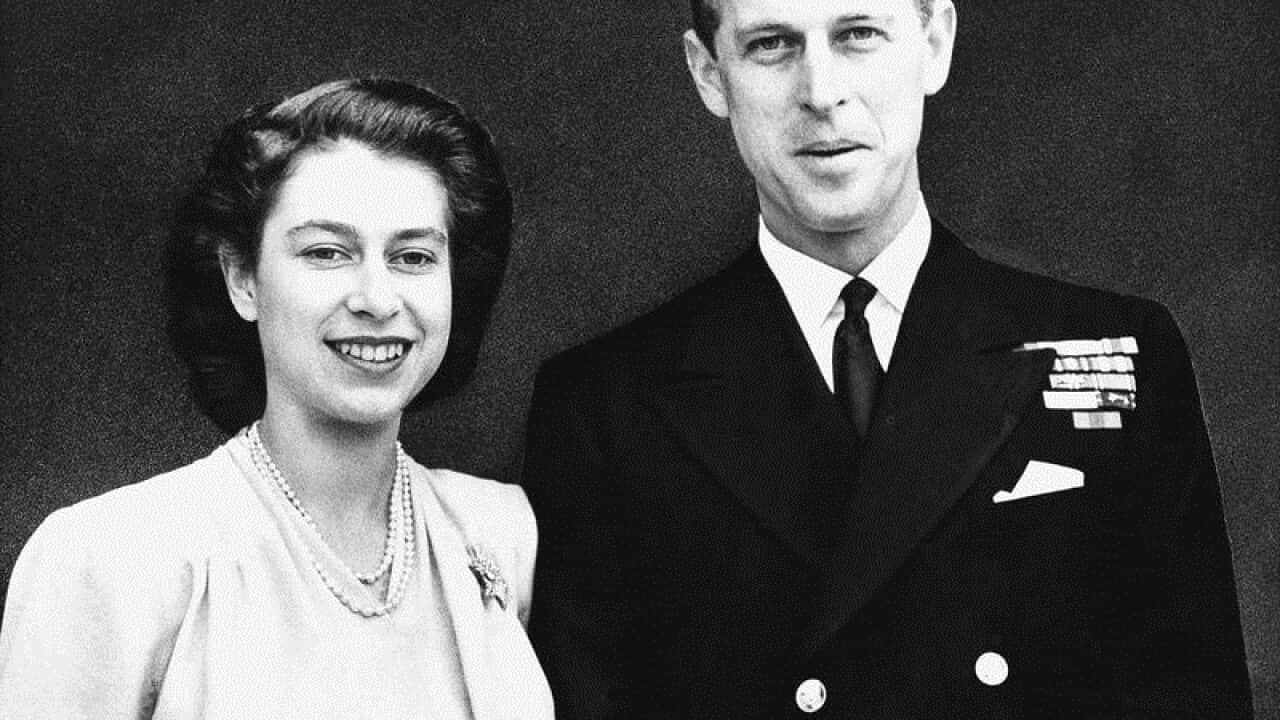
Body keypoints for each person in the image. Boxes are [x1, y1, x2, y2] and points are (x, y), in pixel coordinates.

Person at [523, 1, 1253, 718]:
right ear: (710, 73)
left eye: (859, 34)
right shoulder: (605, 404)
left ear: (934, 42)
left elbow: (1189, 695)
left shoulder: (1117, 349)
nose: (821, 92)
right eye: (772, 44)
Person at [0, 78, 553, 719]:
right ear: (242, 280)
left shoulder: (499, 533)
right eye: (327, 252)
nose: (377, 298)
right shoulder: (113, 558)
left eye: (412, 256)